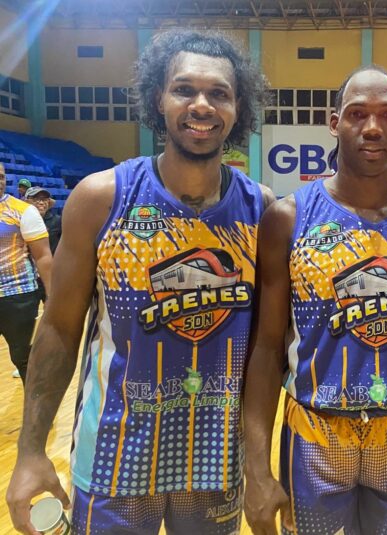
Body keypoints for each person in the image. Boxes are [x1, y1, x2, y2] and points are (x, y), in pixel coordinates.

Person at [7, 30, 273, 535]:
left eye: (218, 93)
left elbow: (267, 346)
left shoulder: (261, 208)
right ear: (158, 98)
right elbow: (59, 328)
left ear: (238, 109)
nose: (201, 105)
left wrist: (261, 466)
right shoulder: (101, 198)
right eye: (184, 89)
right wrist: (30, 451)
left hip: (216, 460)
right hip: (114, 455)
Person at [243, 65, 387, 535]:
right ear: (335, 123)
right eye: (358, 113)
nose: (373, 127)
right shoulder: (287, 218)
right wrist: (254, 467)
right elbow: (266, 346)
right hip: (315, 436)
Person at [0, 163, 53, 382]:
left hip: (18, 295)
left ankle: (38, 403)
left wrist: (51, 296)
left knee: (23, 357)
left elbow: (43, 256)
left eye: (1, 176)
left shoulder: (23, 211)